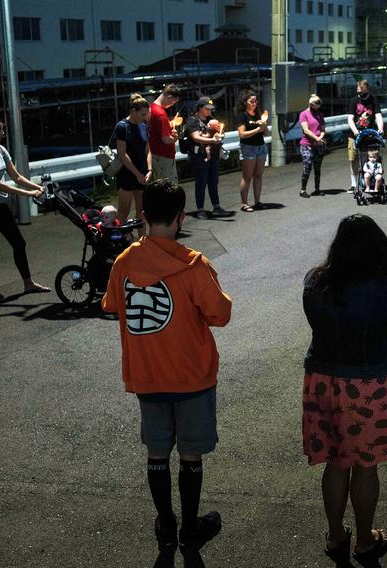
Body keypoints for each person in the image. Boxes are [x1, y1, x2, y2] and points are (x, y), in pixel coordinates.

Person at [102, 178, 231, 565]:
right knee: (190, 454)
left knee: (157, 452)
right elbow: (220, 315)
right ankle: (190, 525)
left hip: (147, 375)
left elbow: (113, 306)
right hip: (191, 376)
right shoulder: (193, 265)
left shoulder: (124, 262)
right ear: (180, 218)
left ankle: (165, 523)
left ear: (142, 216)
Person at [302, 214, 387, 567]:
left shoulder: (315, 283)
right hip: (369, 385)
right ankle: (363, 542)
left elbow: (316, 325)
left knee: (335, 461)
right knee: (365, 464)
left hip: (323, 381)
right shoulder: (383, 289)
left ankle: (335, 535)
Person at [0, 111, 50, 302]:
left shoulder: (0, 149)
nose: (2, 132)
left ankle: (28, 283)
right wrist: (29, 194)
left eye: (2, 129)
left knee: (18, 242)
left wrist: (38, 187)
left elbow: (16, 177)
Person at [114, 94, 152, 237]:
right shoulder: (122, 126)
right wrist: (137, 174)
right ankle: (118, 239)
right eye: (142, 114)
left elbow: (148, 150)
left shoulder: (143, 126)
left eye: (146, 114)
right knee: (124, 210)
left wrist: (149, 170)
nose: (145, 117)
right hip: (127, 173)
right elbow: (122, 154)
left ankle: (142, 240)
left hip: (142, 172)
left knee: (142, 210)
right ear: (133, 111)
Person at [186, 97, 229, 219]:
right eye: (207, 109)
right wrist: (212, 139)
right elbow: (195, 137)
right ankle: (200, 209)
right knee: (201, 182)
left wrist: (219, 135)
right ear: (200, 108)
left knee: (213, 181)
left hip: (213, 155)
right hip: (199, 156)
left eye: (211, 109)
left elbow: (220, 131)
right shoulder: (193, 120)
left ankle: (216, 207)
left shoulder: (211, 120)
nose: (209, 111)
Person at [347, 80, 384, 194]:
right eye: (357, 87)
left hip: (369, 134)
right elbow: (350, 118)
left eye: (360, 87)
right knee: (354, 159)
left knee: (370, 157)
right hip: (355, 135)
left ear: (366, 88)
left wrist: (381, 128)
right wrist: (355, 131)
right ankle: (354, 184)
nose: (358, 88)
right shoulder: (354, 101)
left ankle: (370, 182)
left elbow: (378, 116)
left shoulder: (374, 100)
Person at [235, 90, 269, 212]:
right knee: (247, 176)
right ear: (245, 102)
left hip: (260, 146)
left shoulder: (258, 114)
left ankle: (257, 202)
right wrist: (257, 129)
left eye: (255, 101)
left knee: (258, 175)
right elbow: (242, 134)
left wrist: (263, 126)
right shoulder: (242, 115)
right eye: (251, 101)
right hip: (248, 148)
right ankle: (244, 203)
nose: (254, 103)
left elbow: (265, 132)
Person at [148, 84, 182, 183]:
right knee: (168, 188)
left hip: (154, 155)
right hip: (164, 157)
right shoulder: (161, 114)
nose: (172, 104)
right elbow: (166, 139)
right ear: (169, 97)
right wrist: (175, 137)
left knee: (157, 187)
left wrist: (171, 123)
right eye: (173, 102)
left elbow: (155, 129)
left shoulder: (151, 108)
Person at [298, 94, 326, 198]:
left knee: (317, 167)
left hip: (318, 144)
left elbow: (323, 129)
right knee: (308, 166)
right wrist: (317, 138)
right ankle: (303, 189)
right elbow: (306, 130)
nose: (317, 109)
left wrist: (321, 136)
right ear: (311, 105)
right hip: (307, 144)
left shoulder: (319, 114)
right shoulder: (304, 114)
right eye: (316, 107)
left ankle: (317, 189)